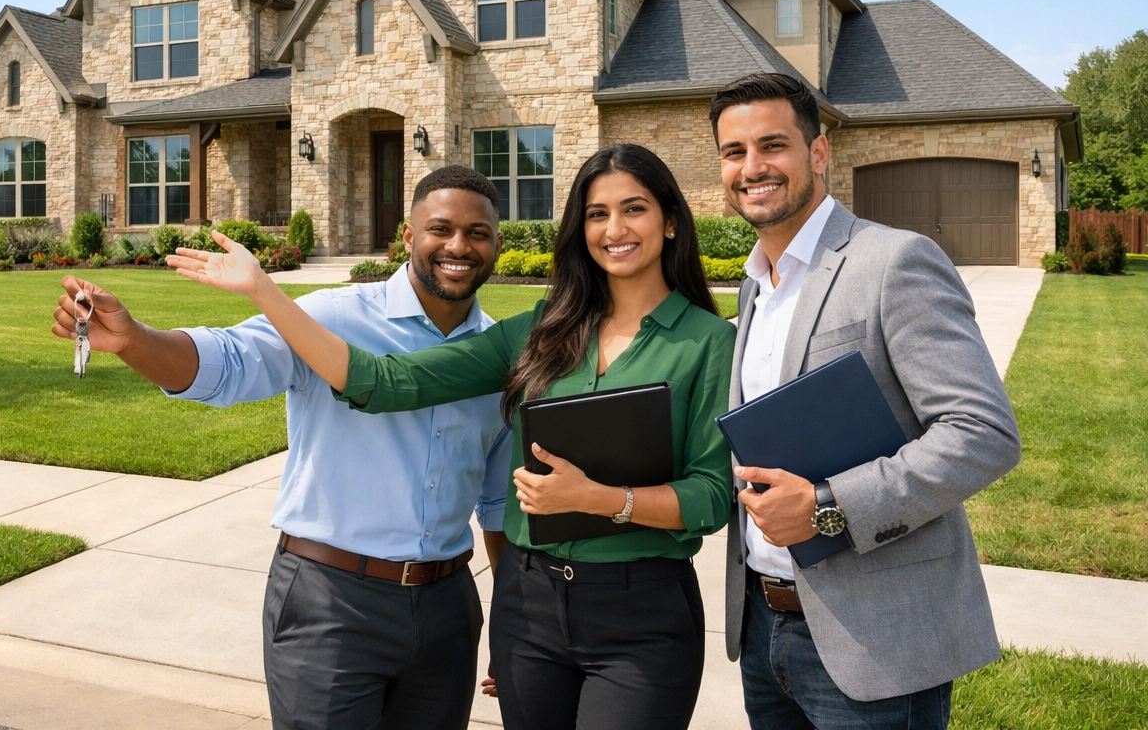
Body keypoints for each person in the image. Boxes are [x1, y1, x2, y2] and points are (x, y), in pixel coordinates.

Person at [168, 143, 735, 730]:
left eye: (633, 209)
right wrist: (265, 291)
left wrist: (600, 499)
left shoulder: (709, 343)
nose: (614, 229)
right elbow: (386, 382)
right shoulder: (540, 332)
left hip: (640, 610)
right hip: (531, 609)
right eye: (596, 213)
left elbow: (712, 497)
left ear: (670, 221)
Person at [50, 165, 512, 730]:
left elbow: (499, 503)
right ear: (410, 237)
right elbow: (229, 362)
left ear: (496, 245)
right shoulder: (331, 317)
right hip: (332, 602)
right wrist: (134, 341)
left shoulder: (500, 358)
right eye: (441, 229)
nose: (459, 246)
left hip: (448, 610)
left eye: (478, 233)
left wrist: (512, 622)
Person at [710, 72, 1022, 729]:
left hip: (876, 640)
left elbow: (981, 433)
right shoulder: (753, 287)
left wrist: (828, 510)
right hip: (765, 629)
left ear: (818, 153)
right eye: (734, 152)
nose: (752, 167)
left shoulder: (894, 261)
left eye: (773, 145)